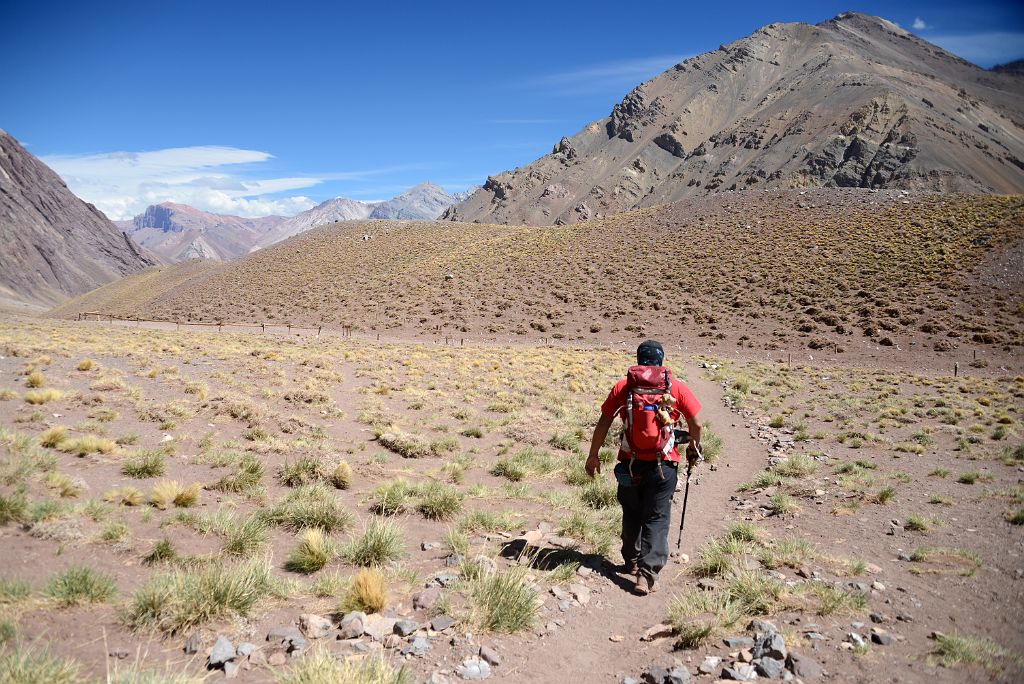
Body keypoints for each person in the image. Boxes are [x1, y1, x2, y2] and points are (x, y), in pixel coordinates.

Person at [586, 340, 702, 595]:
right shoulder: (675, 388)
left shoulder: (624, 387)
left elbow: (604, 421)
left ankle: (632, 561)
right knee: (657, 517)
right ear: (661, 360)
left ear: (638, 360)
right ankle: (647, 576)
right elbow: (696, 423)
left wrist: (593, 455)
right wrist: (694, 447)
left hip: (630, 462)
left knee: (632, 511)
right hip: (665, 463)